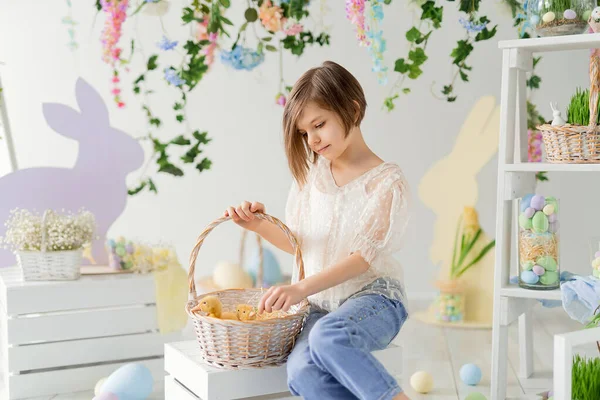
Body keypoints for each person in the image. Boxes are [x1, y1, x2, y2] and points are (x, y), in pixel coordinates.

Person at [224, 60, 411, 400]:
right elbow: (298, 242)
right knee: (301, 372)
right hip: (321, 306)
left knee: (328, 337)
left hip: (376, 299)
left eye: (319, 125)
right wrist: (258, 225)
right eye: (304, 133)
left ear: (352, 110)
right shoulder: (312, 177)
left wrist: (300, 288)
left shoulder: (386, 182)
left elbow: (361, 260)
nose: (311, 140)